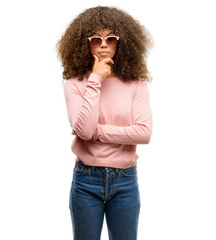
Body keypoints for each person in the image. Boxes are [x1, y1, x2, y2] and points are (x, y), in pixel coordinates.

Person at [57, 6, 152, 240]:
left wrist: (97, 132)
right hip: (86, 180)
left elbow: (144, 133)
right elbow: (84, 129)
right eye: (95, 39)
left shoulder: (136, 84)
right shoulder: (75, 85)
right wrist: (96, 78)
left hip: (126, 181)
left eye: (110, 38)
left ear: (120, 43)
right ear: (84, 43)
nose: (103, 44)